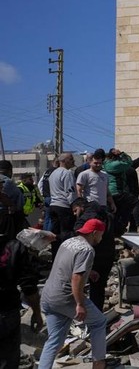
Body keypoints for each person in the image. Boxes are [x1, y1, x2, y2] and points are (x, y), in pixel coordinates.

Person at [39, 219, 108, 369]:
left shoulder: (68, 242)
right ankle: (99, 364)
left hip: (48, 296)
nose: (101, 238)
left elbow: (66, 265)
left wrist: (89, 272)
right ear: (94, 233)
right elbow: (76, 278)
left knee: (54, 341)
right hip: (65, 297)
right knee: (99, 322)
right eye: (101, 234)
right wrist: (80, 304)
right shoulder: (87, 249)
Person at [0, 229, 43, 368]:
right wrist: (36, 312)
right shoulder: (15, 247)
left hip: (7, 311)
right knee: (8, 358)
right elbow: (28, 286)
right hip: (6, 311)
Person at [71, 198, 121, 310]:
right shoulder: (107, 213)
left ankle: (87, 313)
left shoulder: (86, 216)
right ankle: (97, 313)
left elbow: (77, 231)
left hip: (93, 256)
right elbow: (119, 229)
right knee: (99, 287)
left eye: (75, 210)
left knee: (83, 284)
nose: (75, 214)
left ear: (81, 207)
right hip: (108, 256)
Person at [48, 153, 78, 250]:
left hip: (53, 205)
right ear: (64, 161)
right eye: (71, 159)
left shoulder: (53, 173)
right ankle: (66, 256)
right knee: (67, 234)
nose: (73, 161)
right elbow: (70, 192)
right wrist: (74, 206)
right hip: (64, 207)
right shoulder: (67, 173)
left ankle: (55, 256)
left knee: (55, 234)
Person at [76, 149, 116, 215]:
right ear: (90, 162)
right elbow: (79, 191)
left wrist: (112, 203)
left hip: (103, 206)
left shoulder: (105, 175)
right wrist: (81, 205)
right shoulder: (84, 174)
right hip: (90, 206)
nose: (98, 165)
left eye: (100, 163)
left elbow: (107, 191)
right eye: (95, 163)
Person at [39, 159, 60, 231]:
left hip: (46, 197)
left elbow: (40, 184)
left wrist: (43, 195)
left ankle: (45, 235)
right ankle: (49, 236)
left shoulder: (46, 172)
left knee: (47, 218)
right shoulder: (57, 172)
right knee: (52, 218)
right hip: (53, 197)